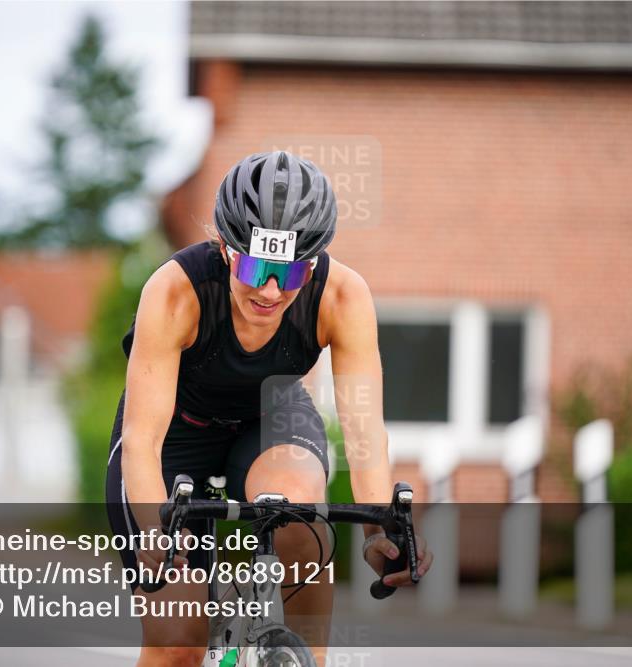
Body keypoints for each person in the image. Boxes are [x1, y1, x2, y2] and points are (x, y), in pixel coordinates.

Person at [105, 151, 432, 666]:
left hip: (270, 418)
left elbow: (364, 431)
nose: (271, 290)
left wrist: (377, 532)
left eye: (292, 272)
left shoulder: (342, 296)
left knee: (301, 515)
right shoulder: (174, 292)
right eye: (256, 266)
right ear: (225, 247)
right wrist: (154, 531)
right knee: (177, 641)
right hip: (174, 436)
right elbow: (143, 440)